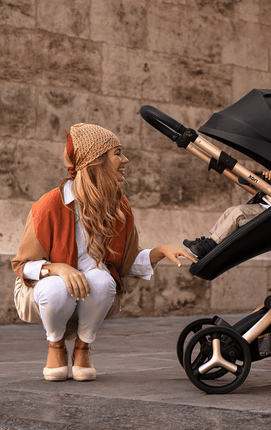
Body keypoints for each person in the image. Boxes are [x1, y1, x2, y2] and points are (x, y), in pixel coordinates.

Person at [12, 123, 197, 382]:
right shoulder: (49, 205)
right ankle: (55, 345)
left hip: (90, 298)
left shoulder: (119, 207)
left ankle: (82, 347)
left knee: (102, 279)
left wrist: (161, 251)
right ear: (96, 160)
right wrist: (59, 268)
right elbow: (23, 265)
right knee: (56, 287)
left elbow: (126, 262)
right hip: (40, 293)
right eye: (117, 153)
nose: (125, 159)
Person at [183, 169, 271, 258]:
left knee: (239, 213)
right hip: (263, 206)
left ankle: (209, 245)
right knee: (230, 210)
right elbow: (245, 178)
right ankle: (208, 241)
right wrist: (263, 174)